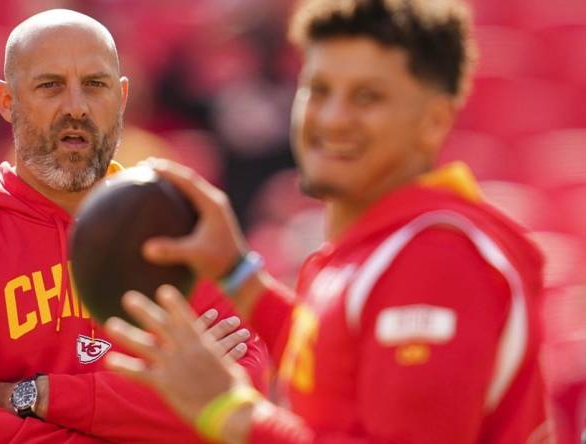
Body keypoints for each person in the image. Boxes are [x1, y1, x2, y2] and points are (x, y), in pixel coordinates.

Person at [102, 0, 552, 443]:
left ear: (433, 122)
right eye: (318, 89)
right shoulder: (387, 244)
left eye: (367, 97)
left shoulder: (435, 257)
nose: (333, 118)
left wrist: (230, 410)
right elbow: (335, 380)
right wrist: (236, 272)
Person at [0, 9, 268, 444]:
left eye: (95, 84)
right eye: (50, 86)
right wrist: (168, 414)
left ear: (122, 97)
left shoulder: (184, 229)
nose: (76, 107)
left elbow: (245, 393)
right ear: (6, 101)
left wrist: (42, 395)